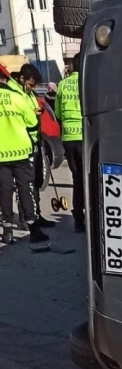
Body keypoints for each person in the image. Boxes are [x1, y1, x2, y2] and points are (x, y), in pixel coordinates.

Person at [0, 65, 50, 246]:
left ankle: (7, 233)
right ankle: (33, 229)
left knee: (4, 192)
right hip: (20, 151)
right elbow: (31, 122)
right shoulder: (17, 97)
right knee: (26, 190)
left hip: (0, 155)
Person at [12, 65, 55, 229]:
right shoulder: (16, 93)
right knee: (24, 183)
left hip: (34, 139)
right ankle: (25, 217)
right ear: (22, 79)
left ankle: (36, 214)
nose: (31, 88)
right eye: (30, 85)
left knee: (36, 180)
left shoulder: (27, 93)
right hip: (22, 142)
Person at [55, 53, 85, 231]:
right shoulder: (88, 82)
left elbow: (58, 113)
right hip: (87, 137)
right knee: (90, 178)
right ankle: (92, 214)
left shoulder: (62, 85)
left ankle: (78, 220)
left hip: (69, 139)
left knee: (77, 179)